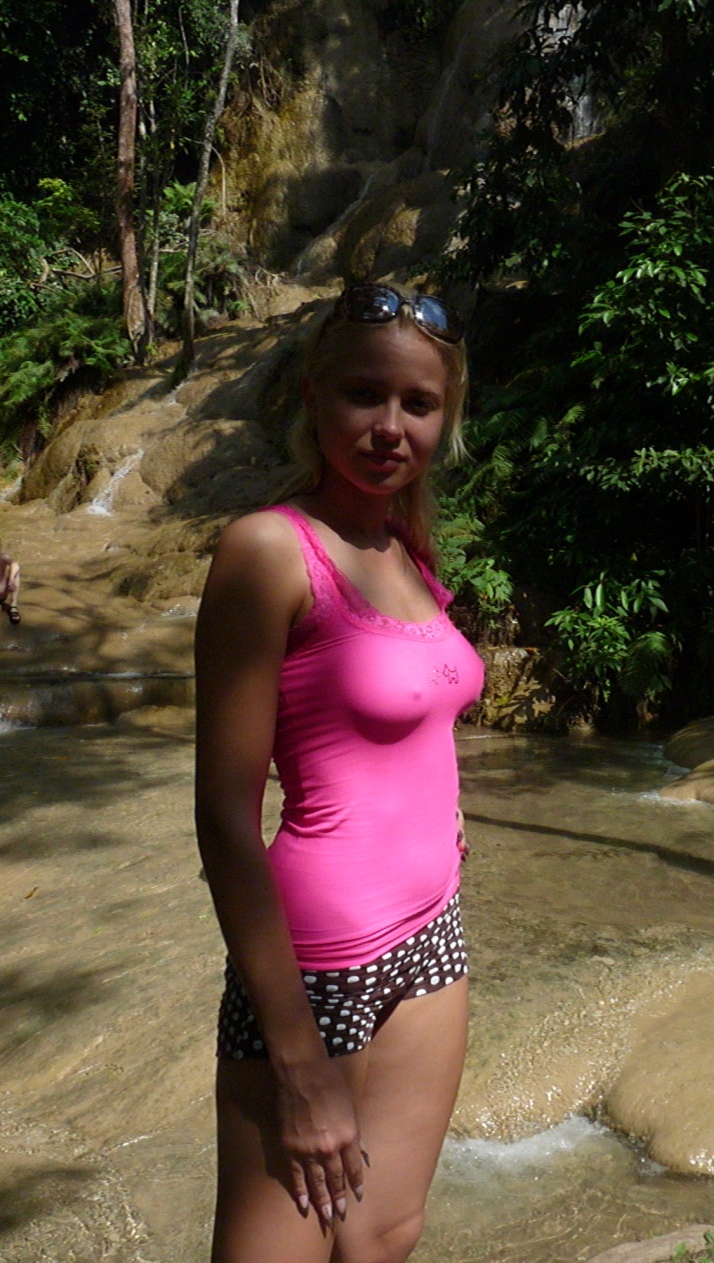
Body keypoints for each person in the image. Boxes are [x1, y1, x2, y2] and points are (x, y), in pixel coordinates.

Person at [194, 282, 484, 1263]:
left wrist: (443, 821)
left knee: (384, 1235)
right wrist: (295, 1055)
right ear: (313, 396)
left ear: (444, 418)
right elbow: (224, 818)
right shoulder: (268, 550)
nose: (389, 426)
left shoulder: (403, 547)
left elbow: (409, 725)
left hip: (433, 932)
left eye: (418, 403)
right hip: (314, 964)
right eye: (365, 394)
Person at [0, 550, 20, 624]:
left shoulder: (2, 557)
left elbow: (15, 564)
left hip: (2, 592)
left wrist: (11, 579)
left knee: (14, 571)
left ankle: (13, 605)